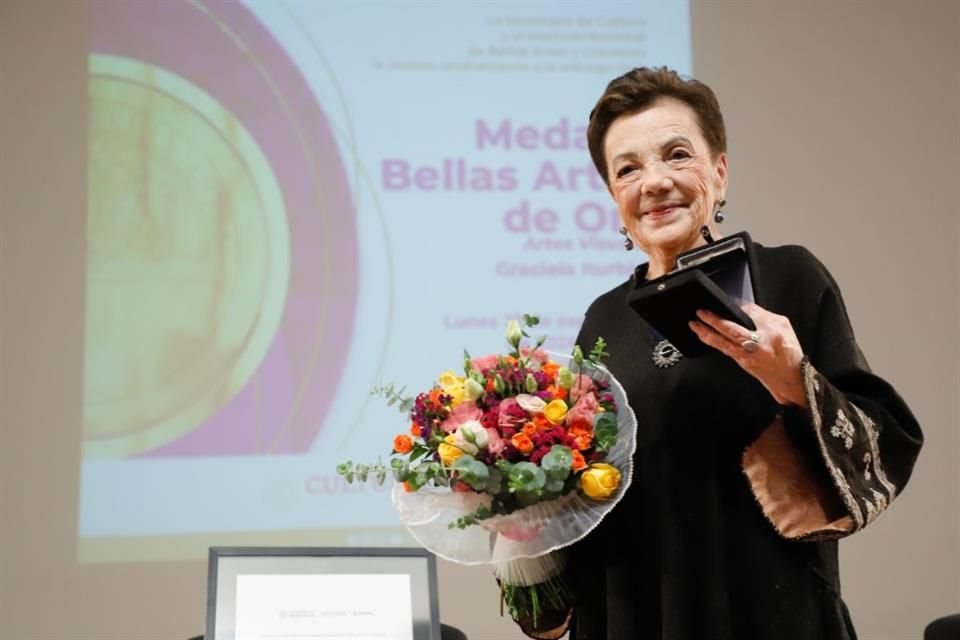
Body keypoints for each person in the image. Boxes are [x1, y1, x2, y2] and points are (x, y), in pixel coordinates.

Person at [515, 67, 924, 640]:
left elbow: (884, 449)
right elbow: (586, 503)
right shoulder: (602, 320)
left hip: (768, 612)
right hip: (633, 617)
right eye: (627, 169)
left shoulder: (786, 279)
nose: (654, 182)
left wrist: (791, 380)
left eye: (677, 155)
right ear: (614, 199)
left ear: (720, 173)